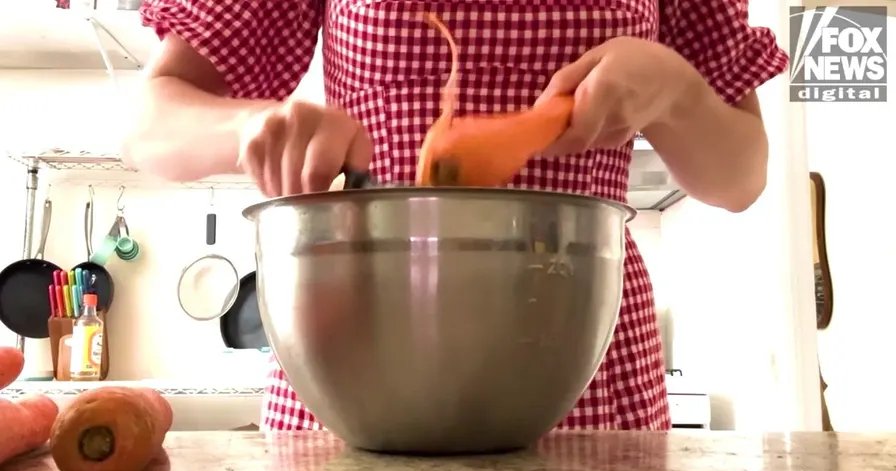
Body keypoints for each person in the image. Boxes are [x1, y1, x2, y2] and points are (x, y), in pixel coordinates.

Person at [126, 0, 788, 431]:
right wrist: (251, 125)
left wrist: (676, 91)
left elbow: (739, 178)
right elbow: (150, 124)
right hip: (354, 372)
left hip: (583, 364)